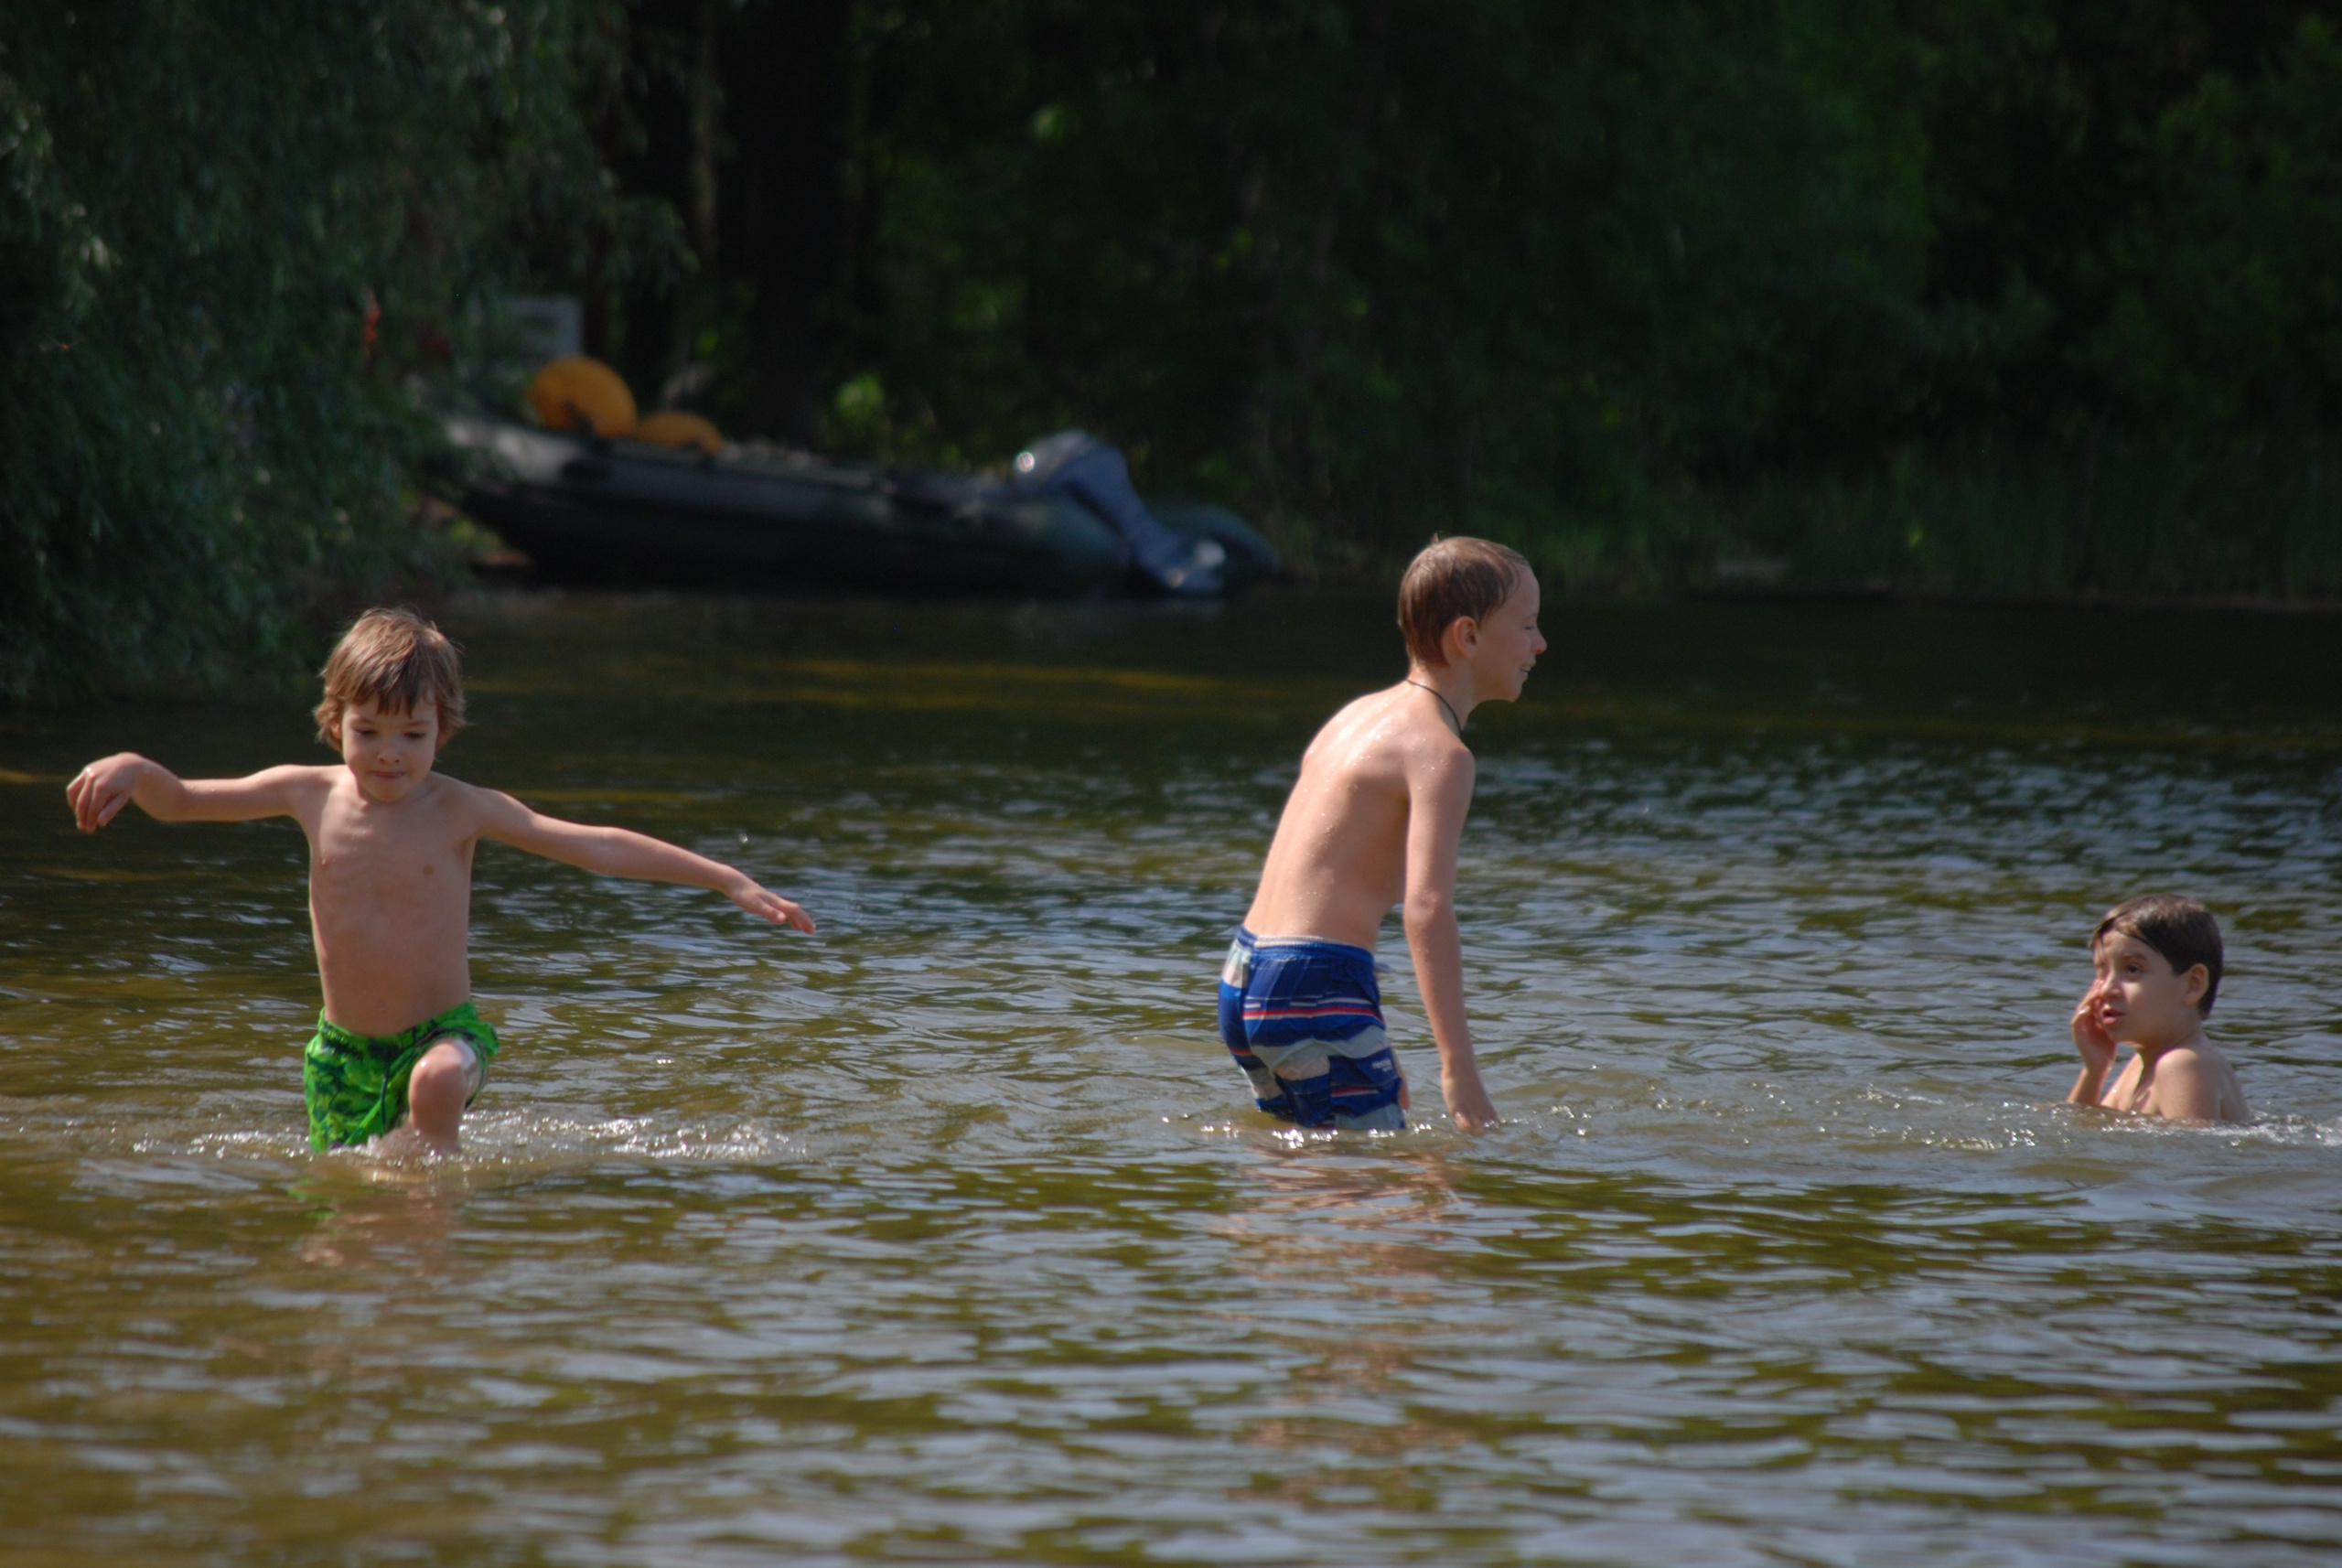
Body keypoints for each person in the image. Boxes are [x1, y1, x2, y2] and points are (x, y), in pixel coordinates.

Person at [65, 607, 813, 1155]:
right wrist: (135, 769)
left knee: (433, 1090)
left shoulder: (461, 809)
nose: (389, 754)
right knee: (350, 1211)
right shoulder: (307, 793)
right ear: (336, 721)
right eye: (368, 732)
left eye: (413, 735)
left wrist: (727, 880)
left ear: (442, 730)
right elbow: (184, 801)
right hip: (344, 1053)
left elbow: (596, 847)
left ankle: (439, 1225)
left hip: (444, 1037)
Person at [1219, 536, 1544, 1133]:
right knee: (1371, 1172)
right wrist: (1459, 1067)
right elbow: (1427, 909)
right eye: (1527, 626)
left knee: (1305, 1166)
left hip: (1246, 974)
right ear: (1468, 637)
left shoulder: (1356, 717)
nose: (1540, 643)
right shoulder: (1442, 754)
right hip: (1315, 981)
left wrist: (1359, 1022)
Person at [2067, 894, 2248, 1123]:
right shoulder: (2141, 1064)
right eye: (2102, 973)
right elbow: (2077, 1131)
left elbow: (2195, 1147)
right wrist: (2094, 1072)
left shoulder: (2182, 1065)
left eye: (2132, 969)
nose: (2106, 990)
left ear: (2193, 985)